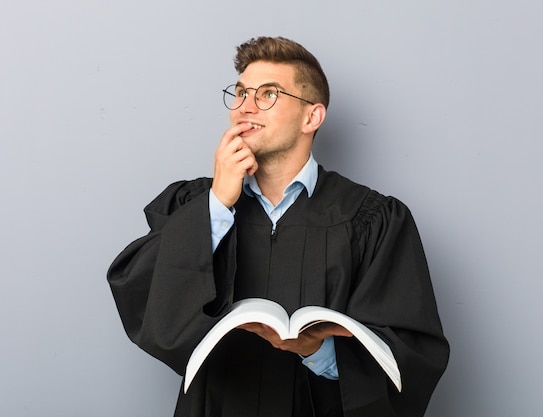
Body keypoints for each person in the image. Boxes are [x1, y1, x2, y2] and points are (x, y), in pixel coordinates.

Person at [108, 36, 449, 417]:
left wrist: (317, 351)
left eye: (268, 94)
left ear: (311, 117)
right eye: (240, 93)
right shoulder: (194, 204)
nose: (245, 107)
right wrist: (218, 202)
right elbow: (144, 298)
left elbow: (411, 353)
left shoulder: (371, 218)